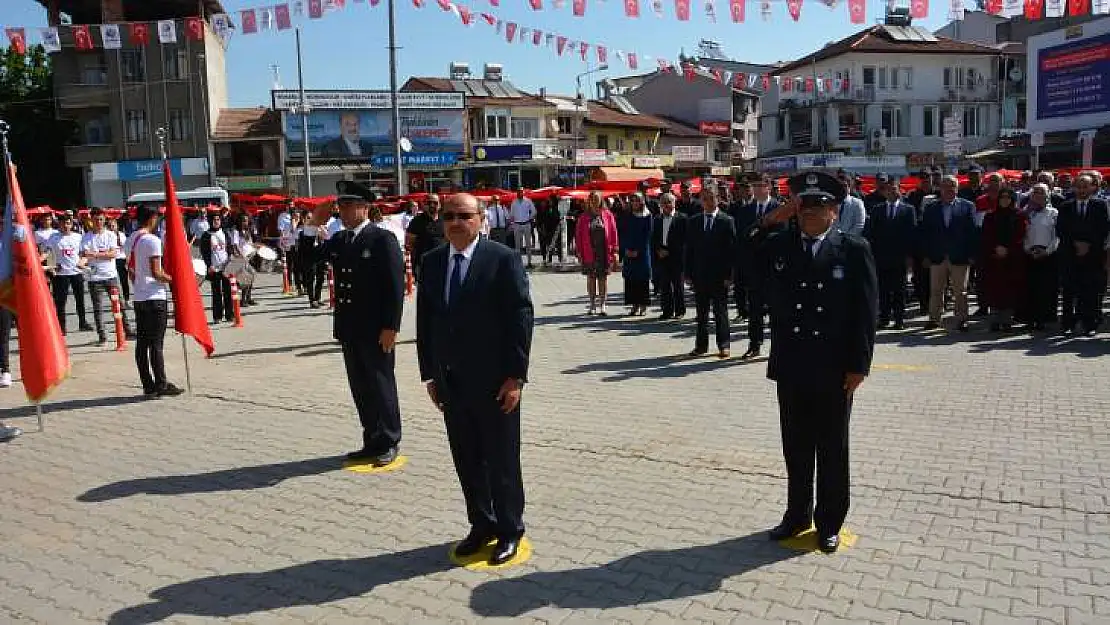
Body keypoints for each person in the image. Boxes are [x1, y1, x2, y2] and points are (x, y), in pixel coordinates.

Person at [763, 170, 878, 554]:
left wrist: (859, 365)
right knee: (795, 446)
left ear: (835, 210)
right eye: (803, 208)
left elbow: (865, 313)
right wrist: (770, 219)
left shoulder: (853, 248)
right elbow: (743, 256)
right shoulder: (781, 244)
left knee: (832, 448)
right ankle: (797, 515)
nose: (809, 215)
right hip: (793, 365)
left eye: (818, 208)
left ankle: (829, 521)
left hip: (833, 368)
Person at [416, 193, 534, 566]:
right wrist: (430, 374)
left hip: (496, 382)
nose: (454, 222)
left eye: (463, 215)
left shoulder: (502, 259)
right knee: (467, 459)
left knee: (501, 460)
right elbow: (426, 322)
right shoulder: (432, 262)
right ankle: (481, 523)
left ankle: (510, 529)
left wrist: (515, 377)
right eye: (448, 215)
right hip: (452, 382)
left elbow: (520, 318)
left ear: (481, 219)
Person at [312, 190, 405, 465]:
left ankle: (389, 439)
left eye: (349, 206)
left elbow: (394, 287)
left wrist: (391, 326)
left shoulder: (381, 239)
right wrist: (310, 226)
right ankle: (372, 438)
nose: (342, 211)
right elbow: (309, 260)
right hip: (349, 327)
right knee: (361, 386)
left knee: (381, 383)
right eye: (340, 206)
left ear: (364, 208)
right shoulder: (341, 239)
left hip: (376, 328)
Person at [127, 204, 184, 398]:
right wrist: (174, 278)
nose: (158, 221)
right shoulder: (151, 240)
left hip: (140, 297)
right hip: (155, 298)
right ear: (151, 218)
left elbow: (131, 272)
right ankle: (161, 384)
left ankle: (148, 385)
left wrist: (139, 286)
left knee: (142, 344)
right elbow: (157, 272)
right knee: (156, 344)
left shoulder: (131, 239)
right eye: (157, 217)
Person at [684, 185, 737, 359]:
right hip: (700, 275)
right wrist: (688, 274)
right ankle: (701, 346)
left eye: (711, 198)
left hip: (719, 276)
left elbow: (732, 251)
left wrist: (730, 275)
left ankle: (724, 345)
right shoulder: (694, 221)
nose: (707, 202)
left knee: (720, 312)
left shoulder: (726, 220)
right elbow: (689, 250)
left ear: (717, 199)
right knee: (701, 314)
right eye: (704, 198)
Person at [920, 176, 978, 332]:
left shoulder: (967, 206)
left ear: (957, 188)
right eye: (945, 186)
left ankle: (961, 319)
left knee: (961, 291)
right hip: (937, 255)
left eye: (952, 186)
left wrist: (972, 254)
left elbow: (972, 232)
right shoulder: (931, 208)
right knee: (936, 289)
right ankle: (934, 319)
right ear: (940, 188)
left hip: (960, 255)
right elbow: (925, 233)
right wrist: (926, 255)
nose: (948, 189)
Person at [734, 175, 783, 359]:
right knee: (754, 310)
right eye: (754, 186)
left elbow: (781, 233)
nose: (756, 189)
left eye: (760, 186)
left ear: (768, 187)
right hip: (753, 267)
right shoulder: (745, 210)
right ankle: (754, 345)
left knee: (776, 311)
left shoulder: (778, 208)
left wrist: (759, 235)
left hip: (773, 268)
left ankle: (778, 348)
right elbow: (742, 236)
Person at [1057, 174, 1109, 336]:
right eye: (1078, 186)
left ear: (1093, 187)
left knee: (1091, 291)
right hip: (1070, 254)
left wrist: (1088, 245)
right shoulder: (1066, 206)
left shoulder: (1100, 205)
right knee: (1069, 291)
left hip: (1092, 255)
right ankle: (1067, 323)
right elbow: (1061, 229)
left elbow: (1103, 228)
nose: (1081, 190)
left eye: (1085, 186)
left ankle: (1089, 323)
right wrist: (1076, 244)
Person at [863, 175, 916, 330]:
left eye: (894, 189)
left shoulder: (908, 210)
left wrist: (910, 256)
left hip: (900, 257)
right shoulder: (877, 210)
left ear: (899, 190)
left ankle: (899, 319)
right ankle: (884, 317)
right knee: (883, 289)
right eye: (888, 189)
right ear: (884, 192)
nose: (892, 192)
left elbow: (911, 234)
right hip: (881, 256)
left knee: (900, 289)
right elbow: (871, 233)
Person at [81, 208, 135, 345]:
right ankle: (102, 336)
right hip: (95, 278)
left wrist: (95, 254)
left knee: (120, 305)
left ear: (104, 219)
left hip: (111, 275)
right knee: (98, 308)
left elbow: (113, 254)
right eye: (95, 219)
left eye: (100, 219)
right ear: (91, 220)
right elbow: (85, 255)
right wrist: (98, 255)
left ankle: (127, 330)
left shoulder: (111, 235)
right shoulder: (86, 237)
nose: (98, 222)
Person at [979, 188, 1027, 332]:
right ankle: (995, 320)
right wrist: (996, 249)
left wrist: (1008, 250)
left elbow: (1021, 236)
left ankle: (1007, 320)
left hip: (1012, 260)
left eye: (1008, 197)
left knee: (1009, 291)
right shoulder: (990, 216)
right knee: (994, 290)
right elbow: (986, 236)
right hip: (994, 260)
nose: (1004, 200)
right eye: (1002, 197)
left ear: (1012, 199)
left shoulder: (1019, 215)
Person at [574, 191, 619, 316]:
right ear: (589, 201)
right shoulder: (583, 217)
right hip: (589, 252)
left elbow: (614, 232)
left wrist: (615, 250)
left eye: (596, 198)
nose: (594, 201)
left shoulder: (608, 215)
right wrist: (578, 252)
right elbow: (578, 236)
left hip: (604, 251)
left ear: (601, 200)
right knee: (591, 278)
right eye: (592, 199)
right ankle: (592, 304)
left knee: (603, 279)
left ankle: (603, 304)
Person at [1023, 184, 1060, 332]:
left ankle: (1044, 318)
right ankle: (1030, 318)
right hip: (1030, 253)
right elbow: (1023, 235)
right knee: (1031, 288)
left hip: (1048, 254)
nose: (1037, 195)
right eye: (1035, 192)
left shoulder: (1053, 213)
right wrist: (1027, 249)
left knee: (1046, 288)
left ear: (1047, 195)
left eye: (1041, 192)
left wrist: (1048, 251)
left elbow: (1057, 236)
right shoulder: (1026, 213)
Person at [48, 212, 92, 335]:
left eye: (68, 223)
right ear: (59, 224)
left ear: (71, 224)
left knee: (80, 299)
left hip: (76, 271)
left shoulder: (78, 237)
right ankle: (61, 327)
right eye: (63, 223)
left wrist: (83, 263)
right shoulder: (53, 237)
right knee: (60, 301)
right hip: (61, 274)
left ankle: (82, 322)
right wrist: (51, 266)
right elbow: (47, 253)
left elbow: (84, 253)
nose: (66, 226)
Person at [651, 193, 687, 320]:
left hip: (676, 256)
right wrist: (658, 250)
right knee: (664, 285)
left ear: (674, 203)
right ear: (660, 205)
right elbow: (654, 238)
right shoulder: (657, 219)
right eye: (664, 202)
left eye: (669, 202)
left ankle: (680, 311)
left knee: (678, 285)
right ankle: (667, 310)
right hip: (662, 255)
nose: (666, 205)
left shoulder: (682, 218)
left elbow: (684, 240)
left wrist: (671, 251)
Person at [621, 193, 653, 316]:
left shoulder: (647, 216)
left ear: (641, 202)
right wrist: (626, 249)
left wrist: (638, 251)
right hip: (628, 252)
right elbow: (623, 233)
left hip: (642, 252)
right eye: (632, 200)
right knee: (631, 279)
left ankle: (643, 305)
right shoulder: (627, 216)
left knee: (642, 279)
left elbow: (648, 235)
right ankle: (634, 305)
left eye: (637, 200)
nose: (634, 203)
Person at [199, 214, 234, 324]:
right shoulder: (206, 235)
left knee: (228, 291)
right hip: (214, 268)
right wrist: (209, 265)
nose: (216, 221)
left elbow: (229, 248)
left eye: (218, 219)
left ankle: (229, 315)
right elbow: (204, 252)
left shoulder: (225, 233)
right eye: (214, 219)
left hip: (225, 267)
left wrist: (231, 259)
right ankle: (217, 316)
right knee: (216, 292)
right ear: (210, 221)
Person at [406, 195, 445, 284]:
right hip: (423, 264)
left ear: (439, 205)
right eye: (428, 203)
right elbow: (409, 243)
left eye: (435, 203)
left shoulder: (444, 220)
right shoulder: (416, 221)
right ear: (424, 205)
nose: (432, 205)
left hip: (443, 263)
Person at [298, 211, 325, 307]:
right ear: (304, 219)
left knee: (321, 278)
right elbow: (304, 247)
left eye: (311, 218)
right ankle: (312, 300)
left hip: (319, 256)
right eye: (308, 218)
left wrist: (320, 231)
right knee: (311, 279)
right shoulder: (303, 232)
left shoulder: (317, 228)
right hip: (309, 258)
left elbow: (325, 237)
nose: (311, 220)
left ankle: (317, 298)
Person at [509, 188, 537, 268]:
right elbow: (511, 214)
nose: (520, 193)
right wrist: (512, 223)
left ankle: (529, 262)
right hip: (517, 224)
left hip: (526, 224)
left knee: (528, 244)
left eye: (521, 192)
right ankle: (518, 263)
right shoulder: (514, 202)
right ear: (517, 193)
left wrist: (529, 218)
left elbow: (534, 211)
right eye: (518, 192)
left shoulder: (528, 201)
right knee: (517, 245)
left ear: (523, 193)